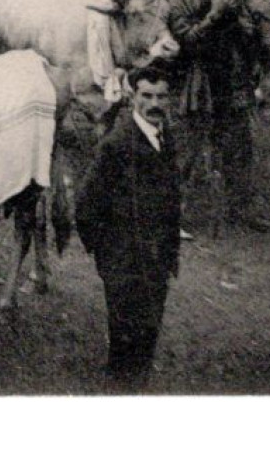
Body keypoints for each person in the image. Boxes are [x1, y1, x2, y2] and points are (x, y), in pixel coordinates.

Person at [76, 65, 183, 389]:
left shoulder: (166, 138)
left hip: (157, 260)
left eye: (161, 96)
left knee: (148, 332)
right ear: (132, 97)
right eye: (147, 96)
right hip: (125, 263)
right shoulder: (118, 145)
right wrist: (107, 256)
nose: (154, 104)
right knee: (125, 343)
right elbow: (85, 204)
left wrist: (168, 251)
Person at [165, 0, 263, 229]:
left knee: (238, 143)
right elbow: (184, 39)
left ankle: (241, 211)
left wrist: (243, 25)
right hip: (198, 77)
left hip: (230, 74)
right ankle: (173, 216)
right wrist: (216, 14)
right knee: (189, 146)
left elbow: (245, 20)